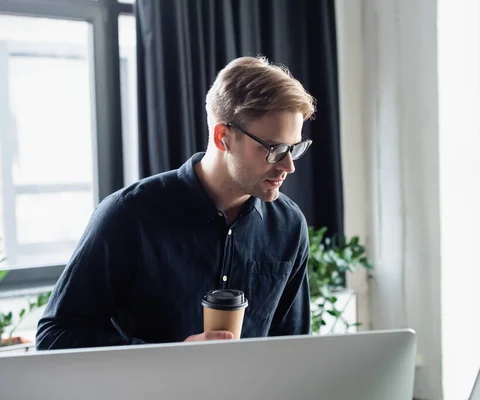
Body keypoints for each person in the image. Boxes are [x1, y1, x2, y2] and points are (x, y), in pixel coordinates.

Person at [36, 56, 316, 350]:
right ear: (223, 137)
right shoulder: (128, 216)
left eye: (294, 148)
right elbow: (55, 336)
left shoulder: (289, 225)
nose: (288, 166)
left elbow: (292, 344)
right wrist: (172, 354)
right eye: (274, 149)